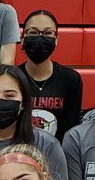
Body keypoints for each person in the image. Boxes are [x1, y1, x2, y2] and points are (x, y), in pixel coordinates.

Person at [18, 9, 84, 140]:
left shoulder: (71, 80)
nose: (40, 38)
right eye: (33, 32)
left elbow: (70, 128)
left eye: (48, 33)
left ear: (56, 39)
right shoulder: (13, 78)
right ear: (22, 38)